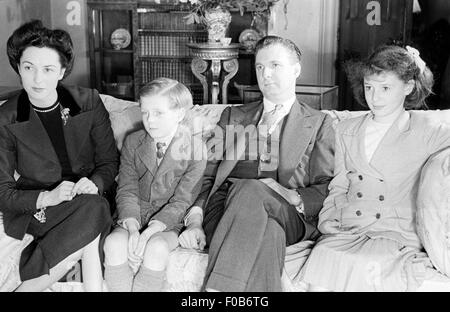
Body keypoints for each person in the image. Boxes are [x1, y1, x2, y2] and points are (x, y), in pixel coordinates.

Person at [178, 36, 335, 292]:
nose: (266, 74)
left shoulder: (319, 123)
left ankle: (217, 290)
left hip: (289, 214)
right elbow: (206, 174)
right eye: (260, 67)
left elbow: (326, 186)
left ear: (296, 69)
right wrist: (194, 219)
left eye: (275, 65)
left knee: (253, 190)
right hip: (225, 209)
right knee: (268, 233)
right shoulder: (234, 115)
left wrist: (290, 195)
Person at [299, 44, 450, 291]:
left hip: (393, 234)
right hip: (350, 229)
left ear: (408, 87)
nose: (375, 97)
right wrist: (327, 220)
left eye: (385, 88)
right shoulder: (346, 129)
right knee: (324, 257)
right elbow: (340, 185)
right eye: (369, 87)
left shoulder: (425, 129)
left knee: (367, 266)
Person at [0, 20, 119, 291]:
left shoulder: (88, 102)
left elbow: (108, 163)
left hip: (87, 197)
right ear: (18, 68)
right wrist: (47, 198)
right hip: (39, 208)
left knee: (94, 203)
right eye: (28, 68)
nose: (37, 79)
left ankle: (29, 282)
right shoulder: (6, 117)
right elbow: (3, 192)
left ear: (62, 71)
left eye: (48, 69)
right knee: (95, 211)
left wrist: (96, 183)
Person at [103, 77, 207, 292]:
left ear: (179, 114)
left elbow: (182, 200)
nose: (150, 120)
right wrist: (132, 227)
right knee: (113, 244)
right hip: (134, 214)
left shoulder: (196, 149)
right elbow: (127, 188)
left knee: (156, 248)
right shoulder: (133, 141)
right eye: (145, 112)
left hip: (169, 221)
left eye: (159, 113)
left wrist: (151, 231)